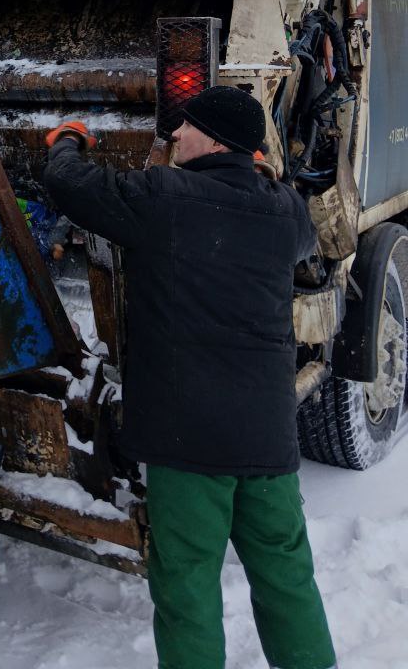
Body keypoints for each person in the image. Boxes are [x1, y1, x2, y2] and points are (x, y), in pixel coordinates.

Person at [43, 86, 337, 669]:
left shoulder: (164, 198)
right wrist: (261, 173)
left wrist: (67, 140)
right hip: (266, 440)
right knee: (286, 576)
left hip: (188, 440)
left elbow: (71, 186)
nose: (174, 135)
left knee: (186, 584)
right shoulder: (284, 214)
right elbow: (302, 228)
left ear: (215, 141)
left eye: (186, 127)